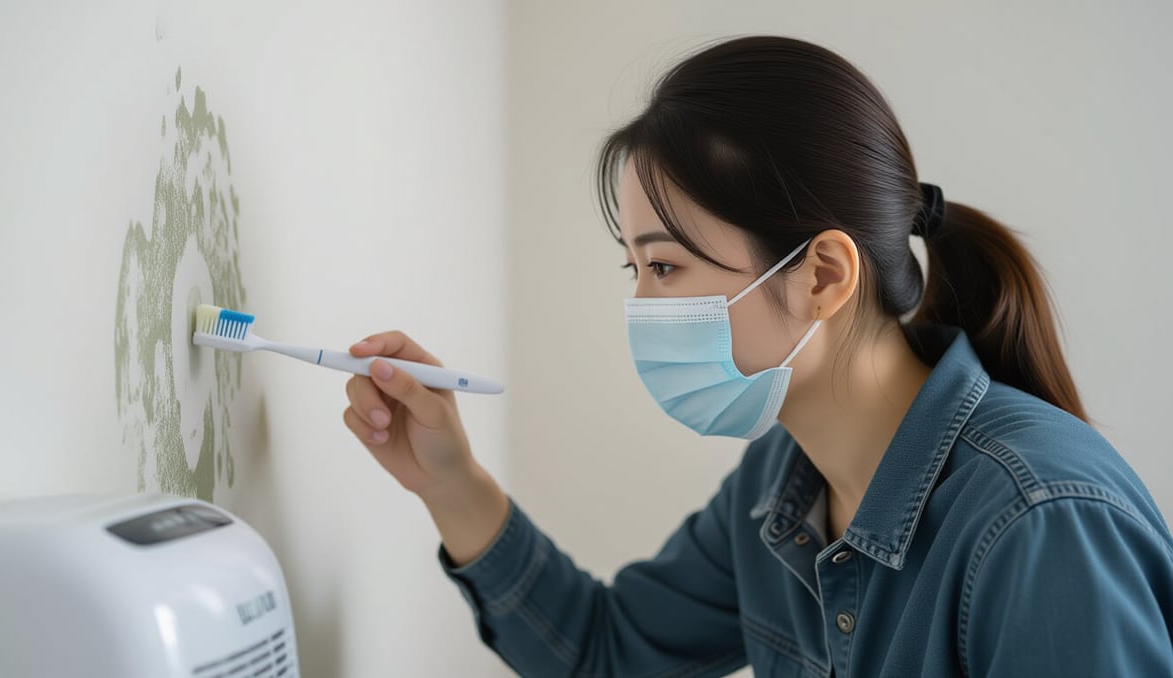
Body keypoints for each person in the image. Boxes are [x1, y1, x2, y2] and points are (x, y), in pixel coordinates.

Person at [341, 36, 1173, 677]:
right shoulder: (782, 482)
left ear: (822, 275)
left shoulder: (1039, 521)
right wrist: (449, 481)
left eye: (666, 267)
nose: (642, 308)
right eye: (635, 269)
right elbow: (604, 653)